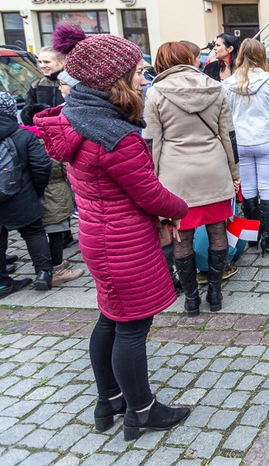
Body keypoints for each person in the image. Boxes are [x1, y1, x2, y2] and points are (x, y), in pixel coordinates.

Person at [34, 34, 191, 441]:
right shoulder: (114, 137)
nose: (144, 79)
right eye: (138, 72)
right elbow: (149, 193)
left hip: (98, 234)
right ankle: (143, 410)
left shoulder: (78, 117)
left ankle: (110, 400)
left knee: (111, 319)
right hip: (125, 241)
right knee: (133, 327)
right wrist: (180, 208)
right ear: (114, 80)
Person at [144, 41, 240, 315]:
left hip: (176, 174)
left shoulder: (155, 92)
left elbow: (152, 142)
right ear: (189, 59)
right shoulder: (215, 87)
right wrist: (234, 174)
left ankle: (190, 299)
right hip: (214, 167)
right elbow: (229, 135)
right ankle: (215, 294)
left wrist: (153, 179)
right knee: (218, 232)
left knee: (181, 238)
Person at [222, 39, 269, 253]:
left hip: (241, 141)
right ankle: (267, 238)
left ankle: (251, 237)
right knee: (267, 187)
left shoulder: (229, 82)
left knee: (248, 188)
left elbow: (226, 117)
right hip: (267, 138)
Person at [20, 103, 84, 285]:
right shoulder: (49, 140)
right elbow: (65, 169)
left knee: (35, 233)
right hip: (54, 193)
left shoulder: (20, 138)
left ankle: (43, 268)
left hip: (28, 195)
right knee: (57, 230)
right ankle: (56, 269)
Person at [0, 92, 53, 293]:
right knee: (34, 233)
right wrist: (37, 188)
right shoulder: (23, 135)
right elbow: (42, 165)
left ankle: (3, 283)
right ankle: (44, 273)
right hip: (22, 195)